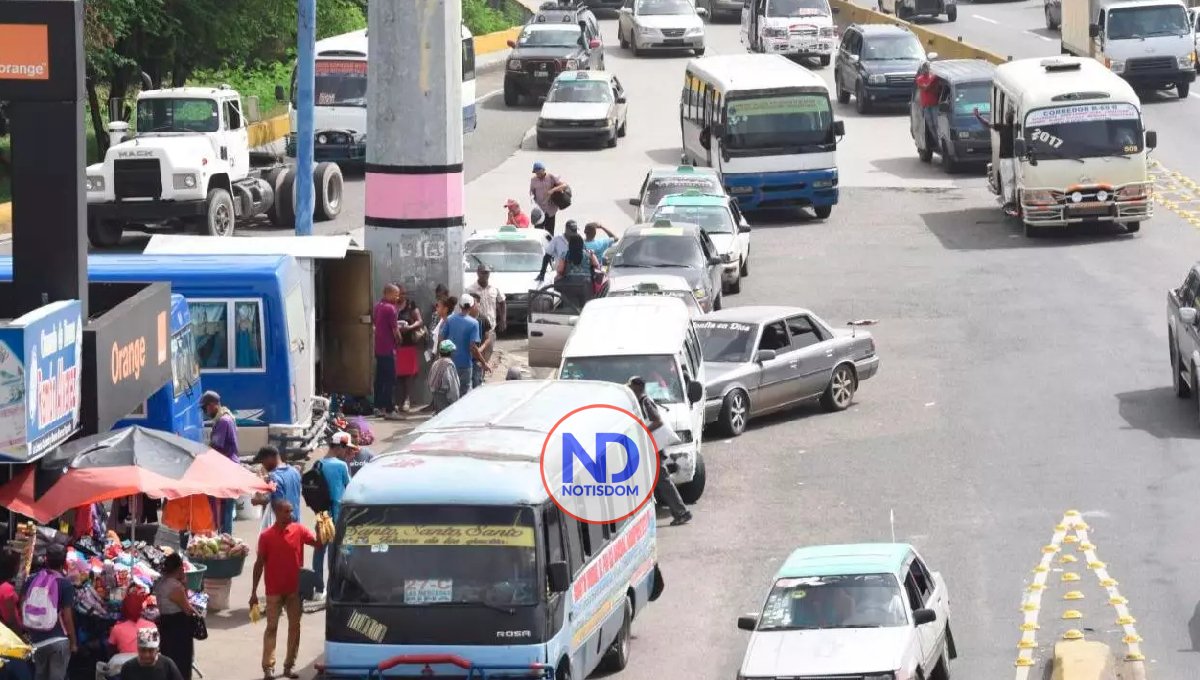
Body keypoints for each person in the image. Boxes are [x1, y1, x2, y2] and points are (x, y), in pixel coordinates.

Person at [250, 499, 322, 680]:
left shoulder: (299, 530)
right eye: (287, 512)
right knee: (271, 628)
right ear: (277, 513)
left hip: (294, 591)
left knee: (294, 628)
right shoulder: (266, 536)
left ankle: (289, 666)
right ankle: (268, 668)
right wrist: (253, 592)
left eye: (291, 511)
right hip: (273, 591)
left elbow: (318, 544)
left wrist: (321, 528)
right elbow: (259, 564)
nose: (291, 514)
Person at [627, 377, 691, 527]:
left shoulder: (645, 401)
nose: (630, 389)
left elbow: (658, 421)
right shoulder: (641, 402)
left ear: (637, 387)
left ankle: (681, 512)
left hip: (653, 449)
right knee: (655, 481)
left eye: (631, 387)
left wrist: (643, 431)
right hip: (650, 448)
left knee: (663, 481)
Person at [20, 544, 75, 680]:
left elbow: (22, 604)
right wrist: (73, 642)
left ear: (46, 559)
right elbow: (67, 618)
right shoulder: (65, 584)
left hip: (35, 642)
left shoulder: (31, 579)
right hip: (58, 641)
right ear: (64, 562)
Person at [311, 439, 351, 603]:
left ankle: (319, 589)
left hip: (321, 515)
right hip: (337, 514)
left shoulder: (317, 464)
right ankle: (334, 588)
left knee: (319, 551)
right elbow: (349, 486)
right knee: (336, 553)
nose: (346, 452)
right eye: (345, 448)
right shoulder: (341, 466)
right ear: (339, 447)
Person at [151, 554, 195, 680]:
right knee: (182, 661)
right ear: (180, 568)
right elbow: (187, 609)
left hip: (166, 625)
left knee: (168, 658)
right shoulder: (175, 587)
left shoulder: (161, 583)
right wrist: (185, 584)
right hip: (178, 627)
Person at [200, 390, 239, 534]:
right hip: (229, 466)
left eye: (205, 408)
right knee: (226, 507)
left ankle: (225, 537)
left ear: (213, 405)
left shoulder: (223, 421)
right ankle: (225, 534)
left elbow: (217, 447)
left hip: (226, 468)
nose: (205, 411)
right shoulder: (226, 417)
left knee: (224, 508)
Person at [439, 295, 489, 394]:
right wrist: (484, 363)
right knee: (465, 394)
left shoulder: (450, 319)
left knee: (451, 392)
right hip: (465, 364)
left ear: (460, 305)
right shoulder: (474, 323)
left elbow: (441, 338)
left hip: (450, 363)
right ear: (471, 306)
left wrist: (444, 355)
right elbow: (473, 348)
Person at [372, 284, 403, 420]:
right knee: (390, 379)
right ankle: (390, 409)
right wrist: (399, 340)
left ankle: (378, 407)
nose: (398, 297)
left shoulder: (378, 306)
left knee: (380, 378)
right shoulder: (391, 309)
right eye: (396, 294)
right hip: (388, 348)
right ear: (388, 293)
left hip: (379, 347)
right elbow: (395, 330)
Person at [392, 284, 424, 412]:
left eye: (404, 293)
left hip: (408, 343)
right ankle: (396, 401)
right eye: (400, 293)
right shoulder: (391, 305)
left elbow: (419, 321)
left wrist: (409, 327)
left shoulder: (411, 305)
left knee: (408, 374)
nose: (402, 296)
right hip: (394, 344)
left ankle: (406, 400)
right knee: (396, 374)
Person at [250, 446, 302, 524]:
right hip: (296, 522)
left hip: (283, 526)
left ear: (270, 458)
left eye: (263, 461)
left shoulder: (274, 477)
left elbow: (277, 503)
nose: (263, 465)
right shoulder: (294, 472)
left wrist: (258, 493)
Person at [0, 550, 30, 680]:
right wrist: (22, 640)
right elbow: (11, 620)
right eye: (18, 564)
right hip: (8, 640)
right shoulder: (6, 589)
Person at [556, 232, 600, 310]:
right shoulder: (589, 253)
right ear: (581, 243)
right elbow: (597, 266)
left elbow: (560, 270)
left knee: (570, 309)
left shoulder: (565, 254)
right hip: (586, 284)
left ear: (570, 244)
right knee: (586, 308)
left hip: (570, 285)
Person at [118, 629, 183, 680]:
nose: (147, 655)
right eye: (143, 650)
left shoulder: (168, 665)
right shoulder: (128, 668)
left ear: (157, 649)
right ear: (138, 649)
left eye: (151, 650)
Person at [466, 263, 507, 339]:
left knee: (488, 349)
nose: (485, 275)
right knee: (476, 349)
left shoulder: (495, 288)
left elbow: (502, 302)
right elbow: (466, 307)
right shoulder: (470, 289)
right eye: (482, 272)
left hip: (491, 326)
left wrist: (503, 320)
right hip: (475, 325)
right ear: (477, 273)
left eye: (487, 273)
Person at [109, 591, 156, 655]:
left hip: (124, 662)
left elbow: (111, 650)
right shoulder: (151, 626)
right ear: (141, 608)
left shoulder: (117, 628)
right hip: (145, 662)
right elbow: (151, 651)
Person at [529, 161, 568, 235]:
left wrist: (553, 190)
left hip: (550, 210)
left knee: (549, 233)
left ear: (543, 170)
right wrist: (532, 199)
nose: (538, 174)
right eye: (536, 173)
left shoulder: (551, 177)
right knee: (538, 232)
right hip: (539, 210)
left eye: (539, 172)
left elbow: (564, 185)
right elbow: (531, 192)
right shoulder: (533, 180)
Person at [466, 301, 493, 390]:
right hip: (466, 357)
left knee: (477, 382)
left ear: (478, 304)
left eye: (474, 303)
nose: (472, 306)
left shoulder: (483, 319)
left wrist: (481, 348)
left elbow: (488, 338)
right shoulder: (465, 319)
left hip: (478, 357)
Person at [428, 340, 461, 413]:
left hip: (436, 396)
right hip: (446, 397)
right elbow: (453, 387)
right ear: (451, 352)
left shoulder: (435, 363)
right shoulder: (449, 365)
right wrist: (455, 401)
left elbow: (430, 380)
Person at [915, 62, 940, 145]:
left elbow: (936, 90)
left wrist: (930, 86)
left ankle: (939, 140)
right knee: (930, 124)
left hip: (934, 104)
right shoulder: (920, 79)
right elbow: (924, 88)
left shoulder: (933, 78)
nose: (926, 70)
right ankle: (936, 140)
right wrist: (930, 85)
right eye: (925, 68)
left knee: (936, 124)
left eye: (927, 68)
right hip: (926, 105)